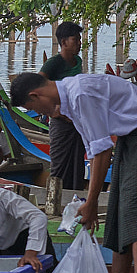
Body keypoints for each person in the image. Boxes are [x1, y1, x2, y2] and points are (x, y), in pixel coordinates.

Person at [9, 70, 137, 273]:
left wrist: (93, 201)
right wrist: (88, 201)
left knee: (134, 204)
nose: (40, 114)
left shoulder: (79, 95)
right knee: (117, 207)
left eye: (35, 109)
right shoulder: (69, 102)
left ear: (36, 96)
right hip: (130, 137)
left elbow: (104, 151)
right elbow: (94, 153)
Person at [40, 21, 88, 191]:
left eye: (79, 39)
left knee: (77, 164)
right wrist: (54, 112)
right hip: (61, 122)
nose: (79, 43)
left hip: (77, 120)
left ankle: (75, 198)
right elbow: (36, 88)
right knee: (59, 165)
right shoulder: (54, 63)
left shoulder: (77, 61)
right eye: (76, 39)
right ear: (64, 42)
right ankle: (55, 200)